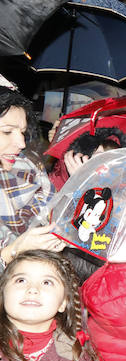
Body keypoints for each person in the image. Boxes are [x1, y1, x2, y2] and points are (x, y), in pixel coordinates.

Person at [0, 88, 66, 270]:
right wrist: (14, 251)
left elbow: (58, 211)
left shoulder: (27, 168)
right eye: (7, 132)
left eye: (21, 132)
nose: (21, 143)